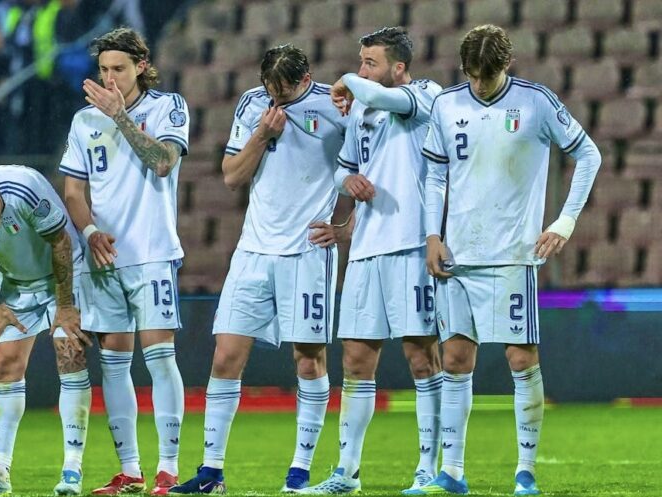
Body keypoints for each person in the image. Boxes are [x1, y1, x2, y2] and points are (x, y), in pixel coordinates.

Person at [413, 24, 602, 496]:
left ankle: (525, 471)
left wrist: (565, 222)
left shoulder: (536, 102)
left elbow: (589, 154)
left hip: (513, 255)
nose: (480, 84)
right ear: (463, 69)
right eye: (473, 75)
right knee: (455, 359)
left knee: (521, 358)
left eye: (489, 75)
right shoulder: (446, 105)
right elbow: (434, 174)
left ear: (507, 65)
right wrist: (432, 235)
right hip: (458, 254)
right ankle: (452, 472)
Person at [169, 44, 346, 494]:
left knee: (308, 359)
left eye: (284, 90)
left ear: (305, 80)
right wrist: (261, 136)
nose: (276, 98)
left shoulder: (336, 106)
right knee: (225, 356)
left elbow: (374, 171)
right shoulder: (253, 104)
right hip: (253, 251)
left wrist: (346, 227)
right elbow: (232, 175)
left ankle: (300, 471)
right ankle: (211, 472)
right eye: (270, 88)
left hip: (307, 252)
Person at [300, 27, 443, 495]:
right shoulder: (361, 108)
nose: (362, 70)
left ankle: (429, 467)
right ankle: (347, 472)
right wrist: (348, 183)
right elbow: (344, 167)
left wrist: (347, 80)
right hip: (364, 249)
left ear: (399, 68)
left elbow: (374, 94)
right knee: (357, 360)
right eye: (360, 61)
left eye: (370, 63)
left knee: (421, 356)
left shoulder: (425, 96)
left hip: (411, 245)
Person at [60, 27, 189, 496]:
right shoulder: (84, 121)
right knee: (114, 365)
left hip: (152, 253)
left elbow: (163, 162)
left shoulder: (168, 107)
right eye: (103, 70)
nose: (109, 78)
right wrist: (89, 231)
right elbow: (74, 191)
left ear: (141, 66)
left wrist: (121, 117)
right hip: (103, 258)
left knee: (160, 358)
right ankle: (131, 471)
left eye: (119, 68)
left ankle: (168, 469)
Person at [0, 165, 92, 496]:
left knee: (70, 355)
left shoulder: (25, 189)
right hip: (14, 281)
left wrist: (65, 306)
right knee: (4, 363)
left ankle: (72, 470)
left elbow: (61, 242)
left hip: (64, 273)